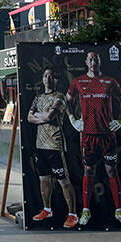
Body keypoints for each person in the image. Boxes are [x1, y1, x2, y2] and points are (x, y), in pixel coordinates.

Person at [66, 51, 121, 227]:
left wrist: (120, 119)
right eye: (90, 59)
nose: (93, 61)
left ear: (100, 61)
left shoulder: (110, 81)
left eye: (96, 58)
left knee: (112, 171)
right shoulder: (79, 81)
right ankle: (86, 210)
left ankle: (119, 210)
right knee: (89, 171)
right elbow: (68, 101)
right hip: (88, 135)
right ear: (86, 62)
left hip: (108, 135)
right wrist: (72, 119)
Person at [27, 67, 77, 229]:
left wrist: (40, 117)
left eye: (51, 76)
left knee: (63, 181)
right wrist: (43, 117)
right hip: (40, 145)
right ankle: (47, 209)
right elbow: (29, 118)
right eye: (45, 76)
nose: (48, 79)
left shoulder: (60, 97)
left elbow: (49, 116)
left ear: (56, 80)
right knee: (44, 179)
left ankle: (72, 214)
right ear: (42, 79)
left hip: (55, 145)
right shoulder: (38, 98)